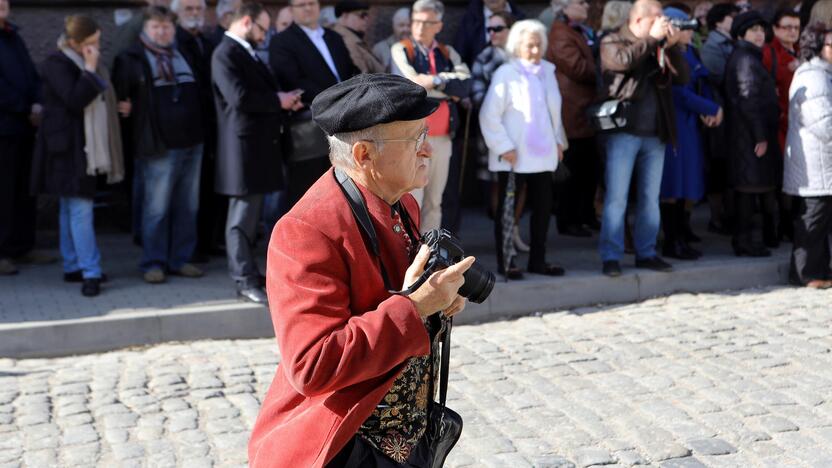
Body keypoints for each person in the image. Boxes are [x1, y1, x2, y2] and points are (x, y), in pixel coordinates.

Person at [248, 73, 475, 468]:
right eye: (416, 140)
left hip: (403, 438)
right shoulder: (305, 231)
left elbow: (393, 298)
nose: (428, 152)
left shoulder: (403, 202)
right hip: (343, 442)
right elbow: (312, 365)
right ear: (364, 155)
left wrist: (439, 302)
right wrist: (416, 306)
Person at [212, 2, 303, 304]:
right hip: (242, 149)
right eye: (263, 28)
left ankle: (251, 273)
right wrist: (278, 100)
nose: (266, 35)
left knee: (253, 219)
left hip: (258, 147)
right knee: (241, 218)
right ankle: (242, 279)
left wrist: (283, 100)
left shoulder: (243, 52)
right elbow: (238, 97)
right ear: (247, 22)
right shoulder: (225, 52)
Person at [31, 15, 125, 296]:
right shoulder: (55, 63)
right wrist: (91, 69)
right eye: (91, 43)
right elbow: (74, 100)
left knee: (71, 208)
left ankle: (73, 265)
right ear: (75, 42)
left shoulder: (73, 61)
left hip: (78, 148)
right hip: (68, 150)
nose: (95, 48)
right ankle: (90, 271)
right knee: (79, 209)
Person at [113, 6, 206, 283]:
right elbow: (119, 100)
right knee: (156, 209)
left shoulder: (184, 52)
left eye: (167, 27)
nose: (162, 32)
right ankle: (153, 263)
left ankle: (181, 259)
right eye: (156, 27)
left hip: (192, 141)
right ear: (145, 29)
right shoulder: (131, 58)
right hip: (157, 146)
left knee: (187, 206)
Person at [597, 0, 689, 278]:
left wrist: (673, 48)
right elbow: (622, 63)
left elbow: (683, 78)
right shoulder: (613, 40)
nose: (664, 23)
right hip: (623, 132)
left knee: (650, 199)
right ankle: (611, 256)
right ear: (640, 20)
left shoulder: (658, 44)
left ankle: (646, 252)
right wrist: (652, 41)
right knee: (616, 198)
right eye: (658, 18)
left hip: (655, 133)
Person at [480, 20, 567, 279]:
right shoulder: (506, 74)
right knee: (507, 212)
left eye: (539, 44)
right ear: (517, 46)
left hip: (543, 155)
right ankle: (507, 262)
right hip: (513, 156)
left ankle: (538, 260)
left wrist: (559, 141)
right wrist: (503, 146)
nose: (535, 50)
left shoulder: (547, 72)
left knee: (543, 209)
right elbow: (489, 115)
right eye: (530, 45)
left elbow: (554, 113)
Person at [391, 0, 472, 234]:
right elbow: (412, 85)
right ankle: (409, 256)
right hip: (412, 139)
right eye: (416, 21)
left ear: (438, 25)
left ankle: (428, 256)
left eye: (427, 23)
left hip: (443, 137)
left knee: (435, 201)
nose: (419, 27)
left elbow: (465, 85)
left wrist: (434, 80)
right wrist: (447, 84)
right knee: (411, 199)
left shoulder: (447, 52)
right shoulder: (402, 49)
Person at [269, 0, 359, 206]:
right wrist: (336, 98)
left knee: (343, 189)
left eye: (311, 3)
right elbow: (292, 80)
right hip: (309, 127)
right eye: (301, 5)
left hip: (344, 121)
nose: (308, 8)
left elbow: (348, 71)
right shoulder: (282, 41)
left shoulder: (334, 37)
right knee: (309, 191)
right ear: (292, 10)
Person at [659, 7, 722, 260]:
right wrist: (710, 108)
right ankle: (671, 241)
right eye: (684, 27)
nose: (689, 31)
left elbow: (701, 82)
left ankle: (682, 235)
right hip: (674, 125)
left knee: (687, 182)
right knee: (673, 185)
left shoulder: (690, 52)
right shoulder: (667, 54)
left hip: (690, 124)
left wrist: (708, 108)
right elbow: (678, 92)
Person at [724, 10, 781, 257]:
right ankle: (744, 241)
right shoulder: (745, 59)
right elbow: (748, 99)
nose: (759, 35)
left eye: (761, 30)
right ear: (741, 34)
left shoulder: (749, 56)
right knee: (749, 189)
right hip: (747, 136)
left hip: (749, 134)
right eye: (753, 30)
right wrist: (760, 136)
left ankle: (755, 238)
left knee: (755, 186)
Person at [172, 0, 224, 262]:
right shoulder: (175, 43)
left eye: (198, 9)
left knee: (206, 189)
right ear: (177, 14)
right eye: (188, 9)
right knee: (186, 194)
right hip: (186, 129)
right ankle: (187, 250)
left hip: (209, 127)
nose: (194, 14)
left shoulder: (207, 40)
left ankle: (206, 242)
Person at [784, 23, 832, 288]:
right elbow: (824, 122)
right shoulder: (813, 76)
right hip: (816, 161)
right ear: (818, 48)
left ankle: (820, 271)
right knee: (812, 220)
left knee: (821, 220)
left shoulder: (823, 73)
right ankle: (805, 273)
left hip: (823, 160)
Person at [545, 0, 599, 238]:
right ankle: (568, 221)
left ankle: (585, 216)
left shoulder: (577, 30)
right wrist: (603, 65)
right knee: (573, 170)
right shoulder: (560, 33)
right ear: (565, 7)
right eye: (580, 2)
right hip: (572, 111)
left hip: (582, 109)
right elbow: (578, 69)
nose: (586, 5)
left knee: (588, 169)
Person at [0, 0, 44, 275]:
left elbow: (31, 75)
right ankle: (2, 252)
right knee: (3, 193)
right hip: (3, 127)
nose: (2, 7)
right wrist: (23, 107)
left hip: (24, 127)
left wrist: (37, 103)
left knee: (25, 189)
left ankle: (23, 246)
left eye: (4, 3)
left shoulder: (14, 36)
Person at [699, 2, 739, 235]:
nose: (735, 20)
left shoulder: (730, 43)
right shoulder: (713, 46)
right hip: (719, 114)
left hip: (730, 114)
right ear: (719, 21)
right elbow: (721, 79)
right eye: (731, 17)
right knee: (718, 167)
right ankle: (717, 217)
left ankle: (727, 215)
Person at [763, 8, 801, 150]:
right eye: (787, 27)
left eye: (796, 27)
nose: (793, 31)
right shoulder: (767, 53)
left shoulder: (802, 50)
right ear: (775, 29)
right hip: (781, 122)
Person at [454, 0, 525, 67]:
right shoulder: (470, 20)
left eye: (498, 29)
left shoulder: (520, 19)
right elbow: (460, 56)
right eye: (490, 29)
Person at [331, 1, 384, 74]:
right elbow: (361, 77)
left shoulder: (352, 38)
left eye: (367, 15)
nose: (366, 19)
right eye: (362, 15)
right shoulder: (344, 40)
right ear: (345, 16)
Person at [372, 7, 410, 72]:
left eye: (409, 25)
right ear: (393, 26)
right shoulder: (380, 49)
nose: (405, 29)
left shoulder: (421, 47)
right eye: (401, 25)